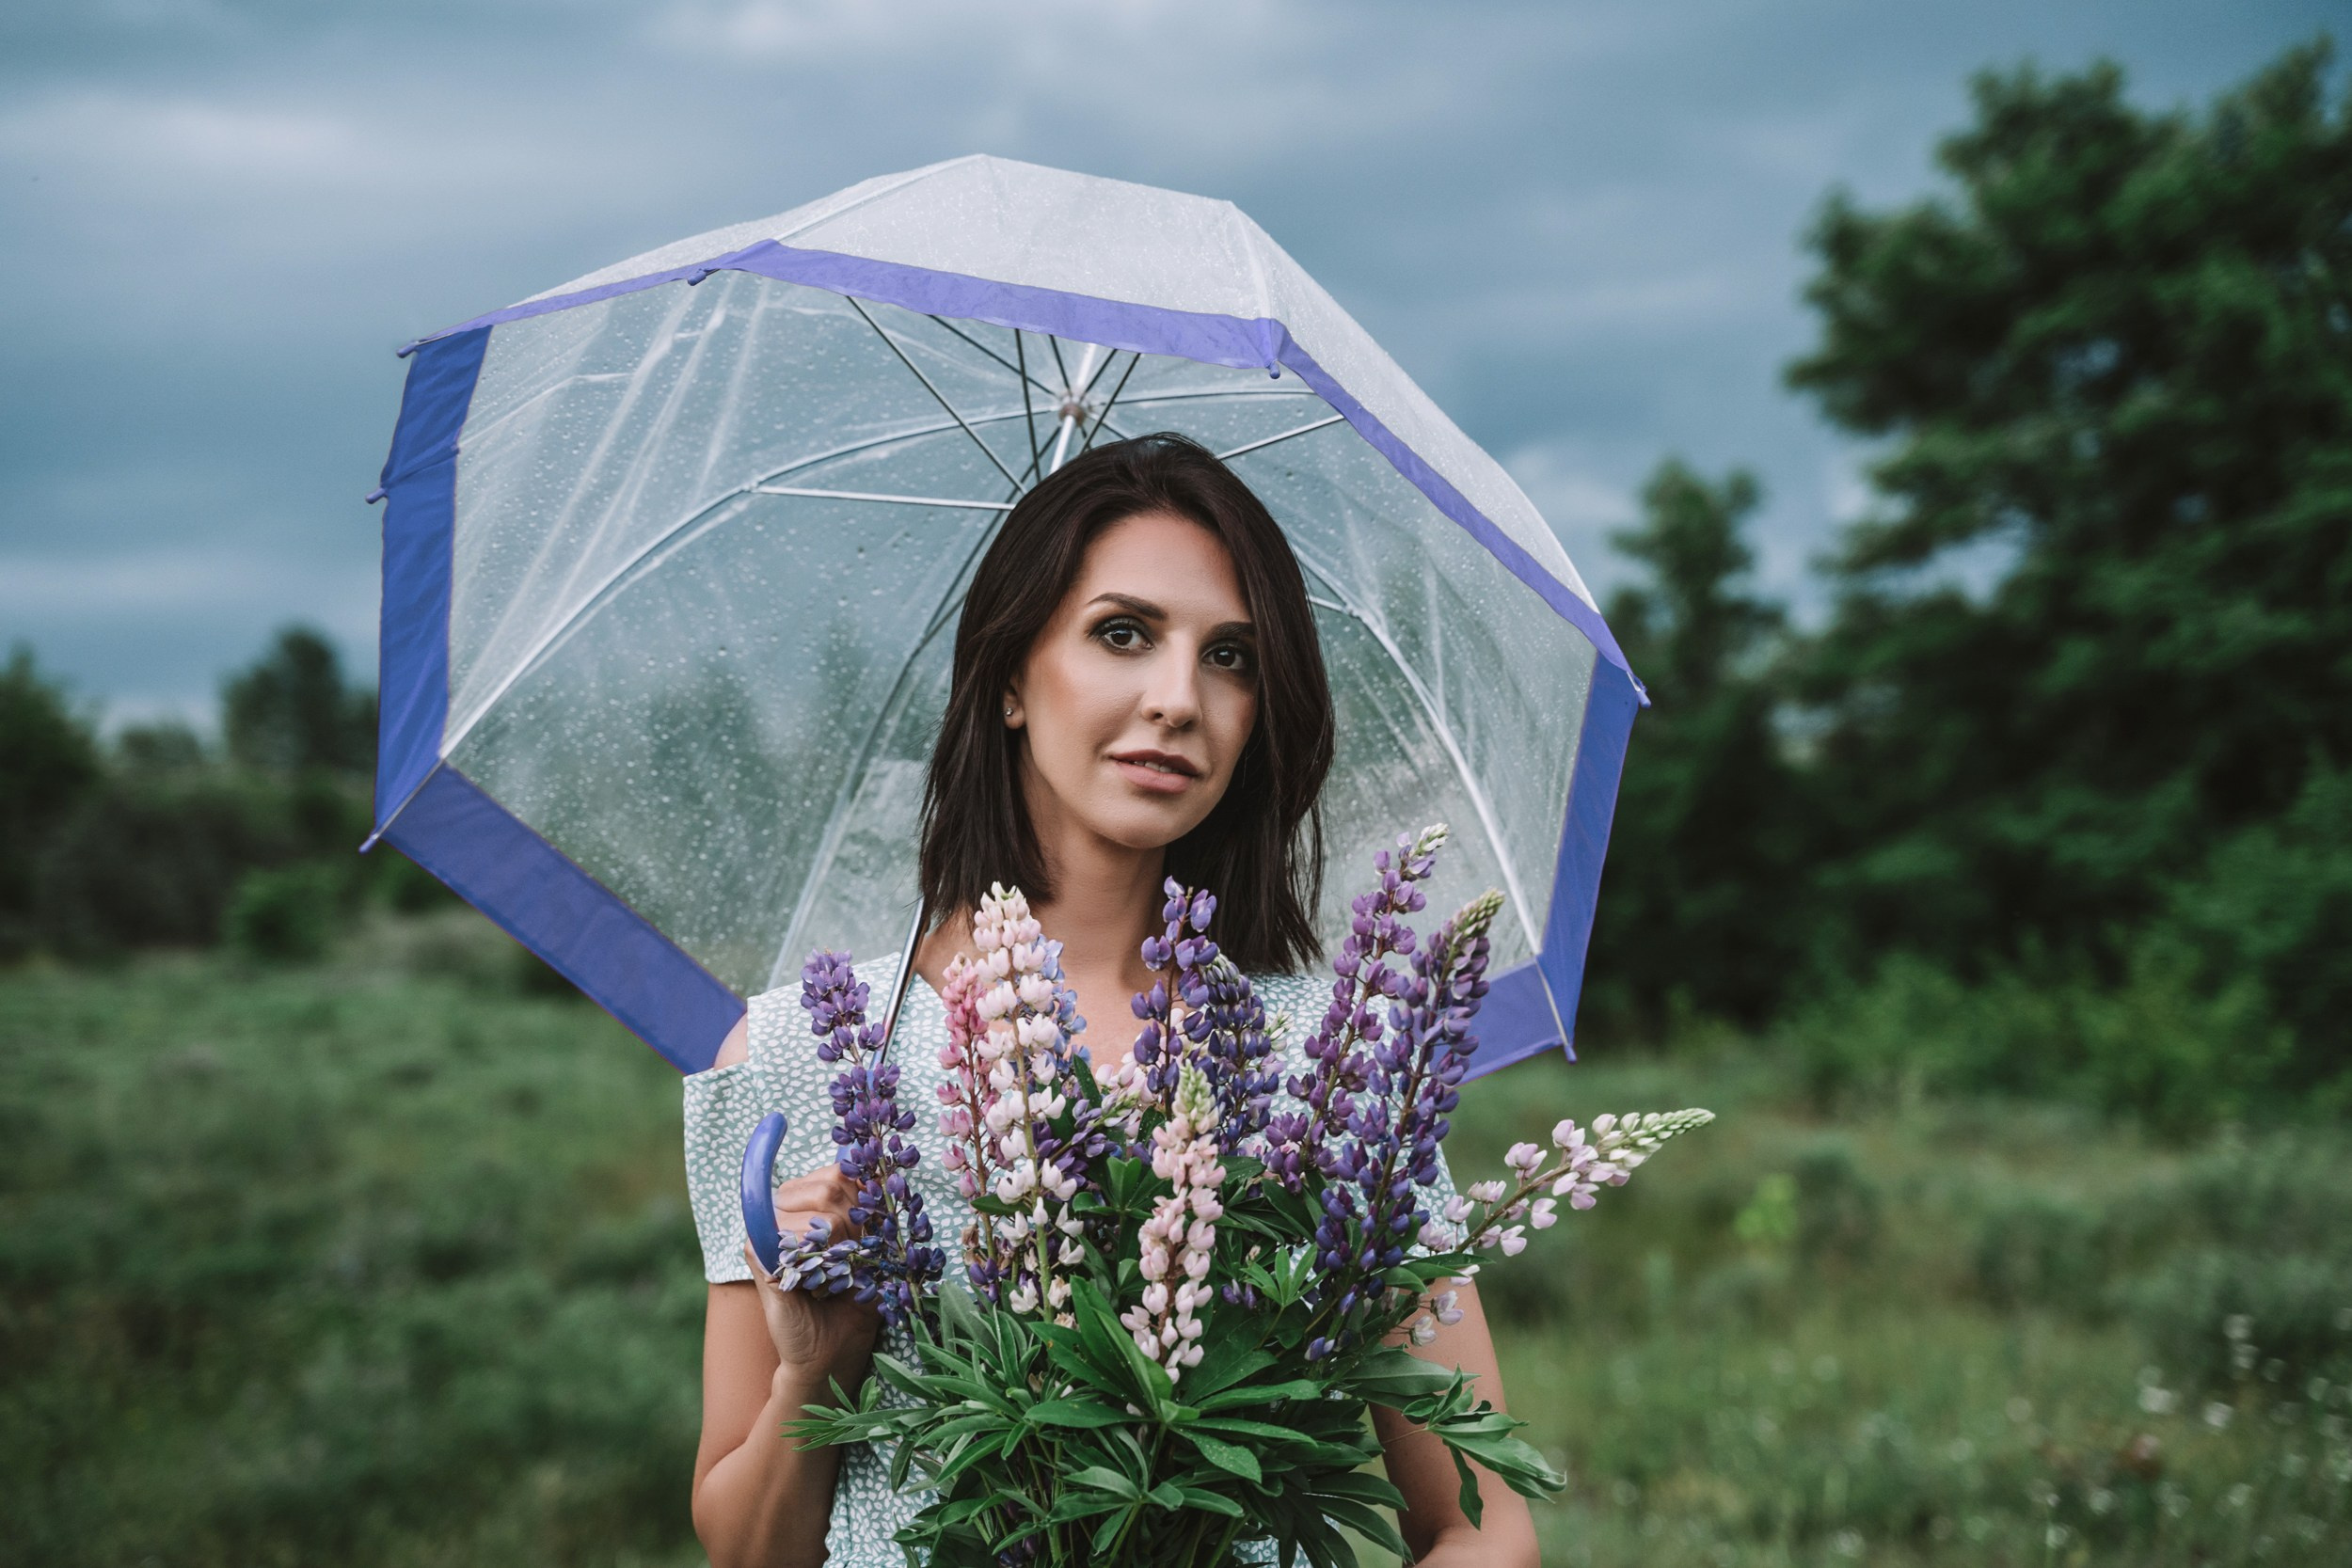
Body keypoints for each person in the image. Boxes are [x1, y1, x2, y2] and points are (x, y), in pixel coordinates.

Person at [681, 434, 1538, 1568]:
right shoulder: (804, 1053)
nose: (1178, 698)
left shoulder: (1335, 1060)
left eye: (1230, 655)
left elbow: (1483, 1525)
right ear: (1006, 680)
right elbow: (748, 1554)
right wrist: (816, 1367)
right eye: (1123, 632)